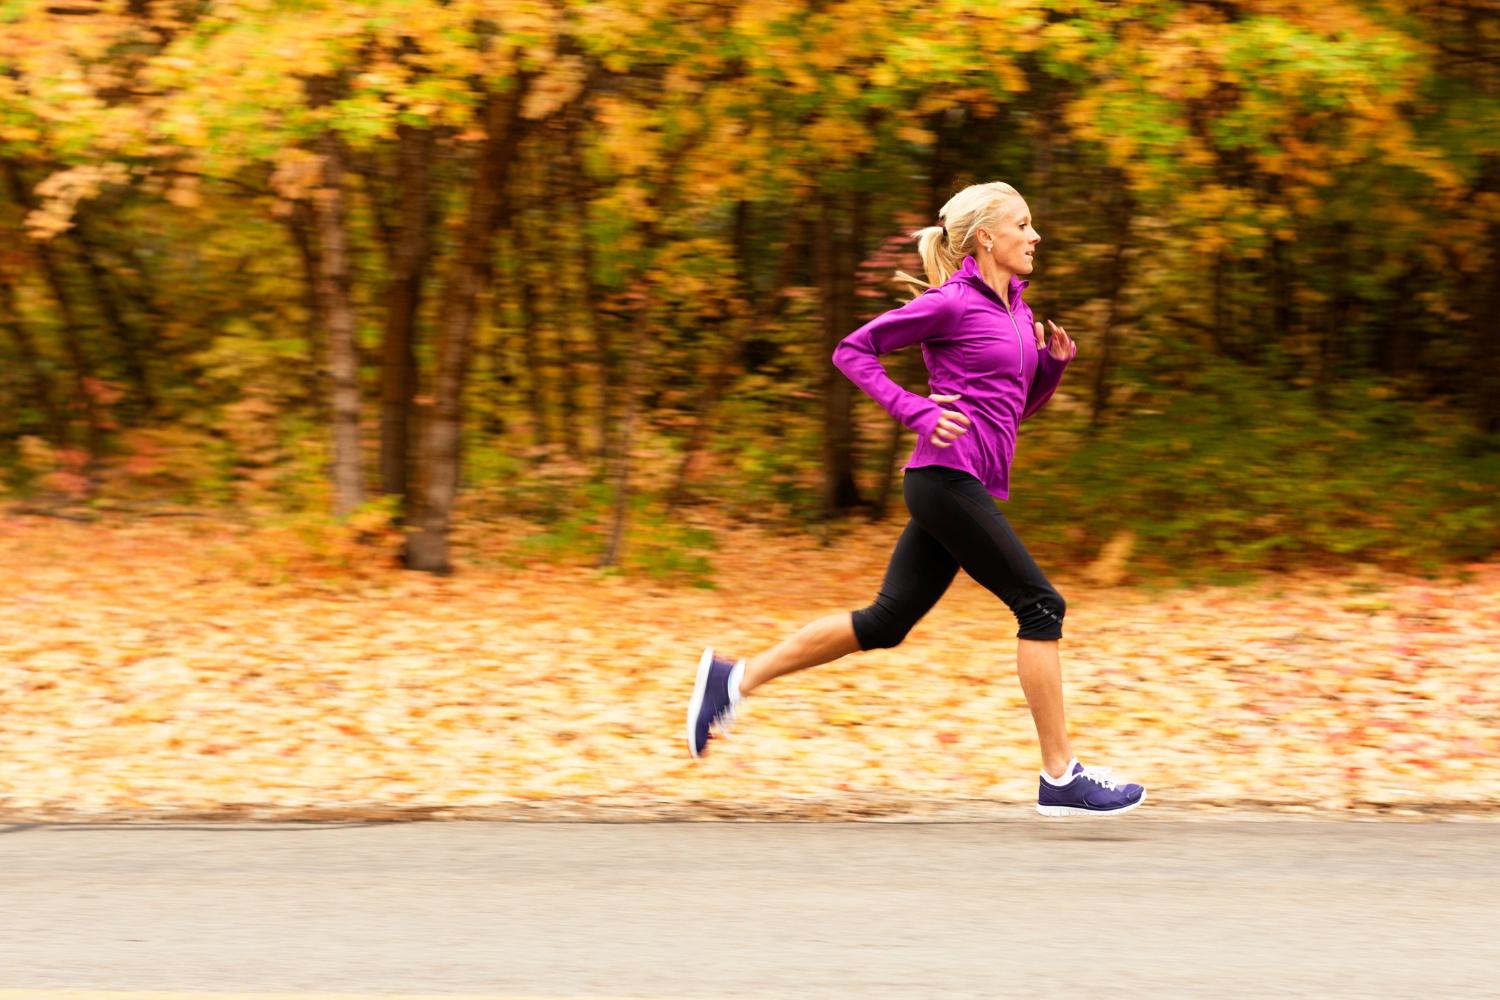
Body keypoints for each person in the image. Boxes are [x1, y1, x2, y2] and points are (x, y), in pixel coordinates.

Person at [686, 181, 1146, 817]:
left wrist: (1052, 369)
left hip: (965, 484)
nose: (1035, 236)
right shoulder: (952, 305)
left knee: (885, 623)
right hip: (943, 481)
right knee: (1041, 605)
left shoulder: (1016, 311)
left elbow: (1011, 414)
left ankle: (733, 679)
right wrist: (917, 411)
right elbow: (853, 351)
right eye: (1023, 224)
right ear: (987, 237)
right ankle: (1060, 775)